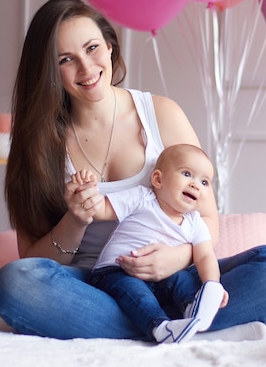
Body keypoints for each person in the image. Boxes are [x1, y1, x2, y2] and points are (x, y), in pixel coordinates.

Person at [0, 0, 266, 341]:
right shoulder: (37, 145)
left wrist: (177, 259)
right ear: (48, 72)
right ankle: (180, 328)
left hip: (179, 279)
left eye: (92, 48)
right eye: (66, 60)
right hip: (98, 286)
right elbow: (32, 257)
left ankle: (158, 326)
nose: (86, 68)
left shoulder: (161, 113)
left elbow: (205, 217)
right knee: (15, 282)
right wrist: (75, 221)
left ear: (110, 46)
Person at [80, 144, 242, 344]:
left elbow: (205, 256)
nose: (196, 185)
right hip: (115, 272)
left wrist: (212, 285)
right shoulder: (142, 198)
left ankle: (194, 311)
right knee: (135, 292)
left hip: (162, 279)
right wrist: (88, 192)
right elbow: (102, 211)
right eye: (186, 174)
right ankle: (160, 327)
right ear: (158, 179)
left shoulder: (195, 222)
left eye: (204, 182)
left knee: (182, 279)